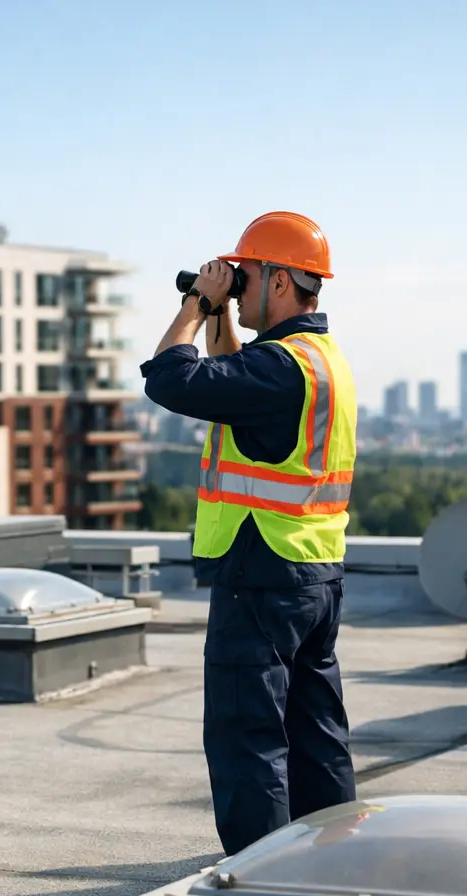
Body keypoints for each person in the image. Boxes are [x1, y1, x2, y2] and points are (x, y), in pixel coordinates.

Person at [140, 211, 358, 856]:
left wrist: (194, 304)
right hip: (313, 571)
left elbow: (171, 377)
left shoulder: (281, 368)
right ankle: (332, 858)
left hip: (261, 573)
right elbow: (235, 390)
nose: (240, 283)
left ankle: (260, 882)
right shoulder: (318, 360)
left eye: (250, 275)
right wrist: (223, 317)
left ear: (283, 283)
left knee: (247, 735)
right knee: (316, 732)